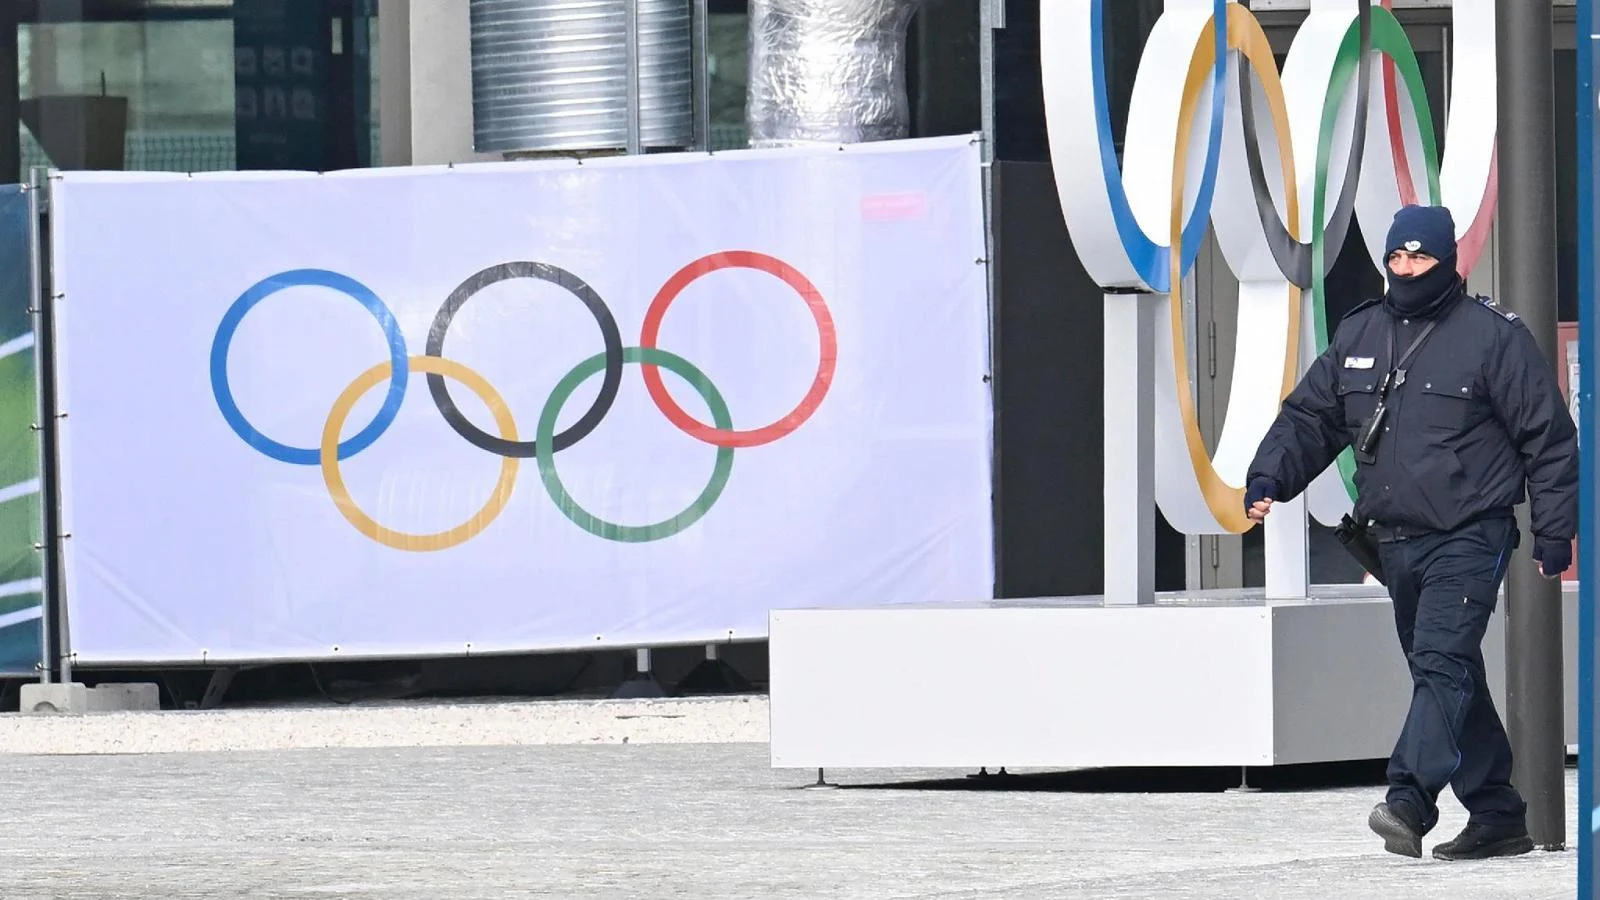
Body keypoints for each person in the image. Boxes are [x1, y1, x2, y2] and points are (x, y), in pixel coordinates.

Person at [1243, 204, 1578, 861]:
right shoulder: (1361, 331)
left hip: (1469, 533)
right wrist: (1269, 477)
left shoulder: (1493, 338)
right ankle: (1497, 813)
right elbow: (1312, 417)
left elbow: (1549, 439)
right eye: (1396, 257)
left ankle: (1408, 801)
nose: (1406, 269)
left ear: (1448, 261)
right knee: (1447, 672)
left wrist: (1553, 531)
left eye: (1419, 258)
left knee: (1441, 662)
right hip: (1394, 539)